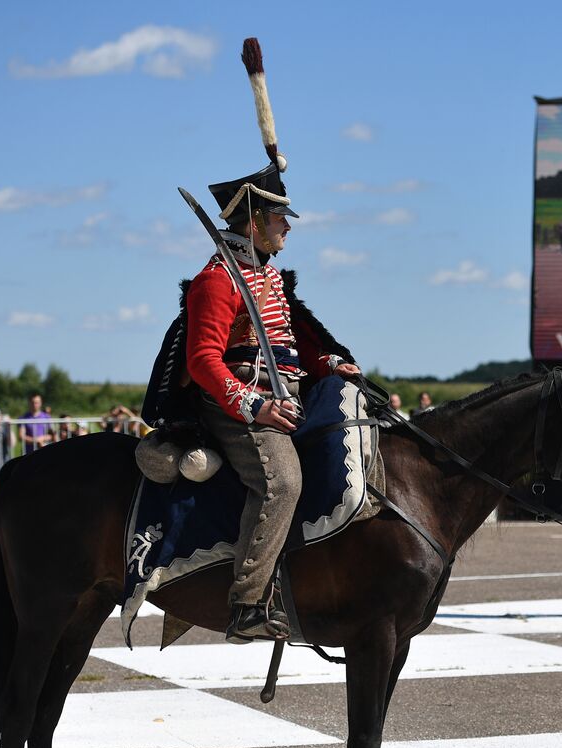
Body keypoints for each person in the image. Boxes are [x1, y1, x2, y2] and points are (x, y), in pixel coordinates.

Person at [137, 54, 360, 645]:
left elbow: (290, 345)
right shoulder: (218, 280)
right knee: (282, 482)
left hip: (282, 394)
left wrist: (327, 364)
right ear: (255, 222)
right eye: (281, 219)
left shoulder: (269, 280)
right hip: (233, 405)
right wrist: (254, 407)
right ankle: (247, 603)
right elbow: (203, 361)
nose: (290, 228)